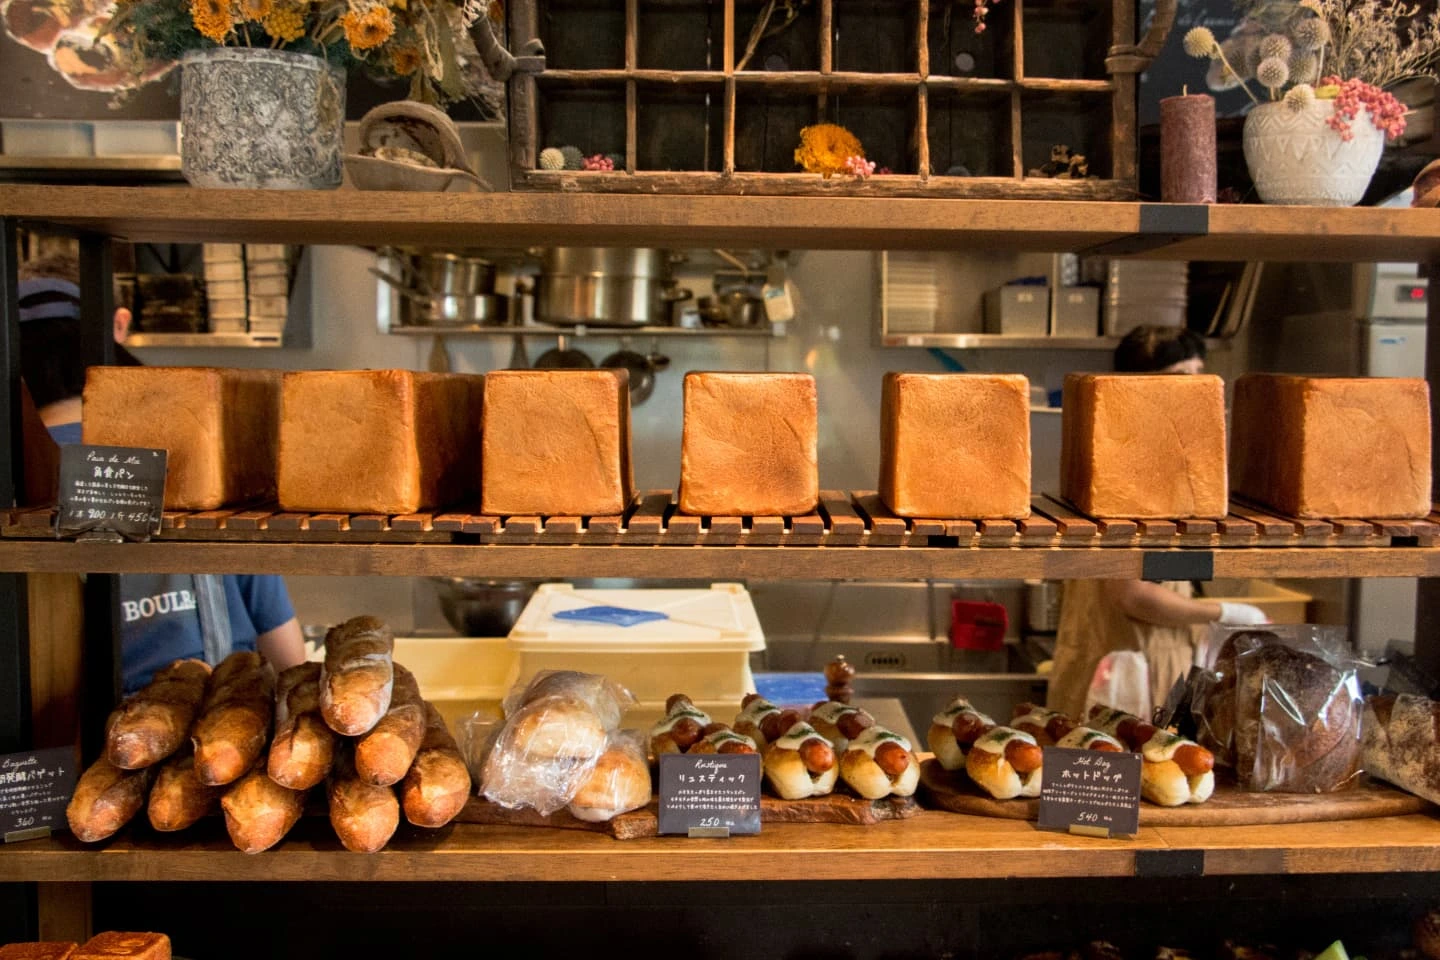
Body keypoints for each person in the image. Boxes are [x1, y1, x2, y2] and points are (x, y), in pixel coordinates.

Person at [18, 252, 307, 694]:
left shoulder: (15, 472)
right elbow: (288, 657)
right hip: (222, 719)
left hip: (65, 741)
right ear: (118, 326)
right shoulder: (194, 453)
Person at [1045, 325, 1268, 720]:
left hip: (1151, 663)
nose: (1196, 391)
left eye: (1201, 376)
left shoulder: (1167, 464)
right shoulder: (1126, 465)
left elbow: (1158, 563)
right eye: (1181, 378)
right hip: (1121, 673)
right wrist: (1223, 613)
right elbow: (1130, 593)